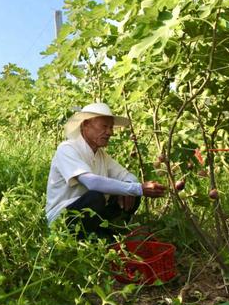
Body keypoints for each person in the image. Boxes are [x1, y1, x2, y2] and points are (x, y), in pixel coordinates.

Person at [45, 102, 166, 240]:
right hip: (63, 218)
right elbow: (91, 182)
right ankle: (94, 237)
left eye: (111, 127)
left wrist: (129, 188)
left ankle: (109, 233)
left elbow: (128, 176)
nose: (110, 132)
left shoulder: (101, 155)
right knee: (97, 196)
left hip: (90, 212)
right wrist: (135, 188)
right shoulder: (67, 149)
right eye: (104, 126)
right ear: (85, 125)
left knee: (130, 192)